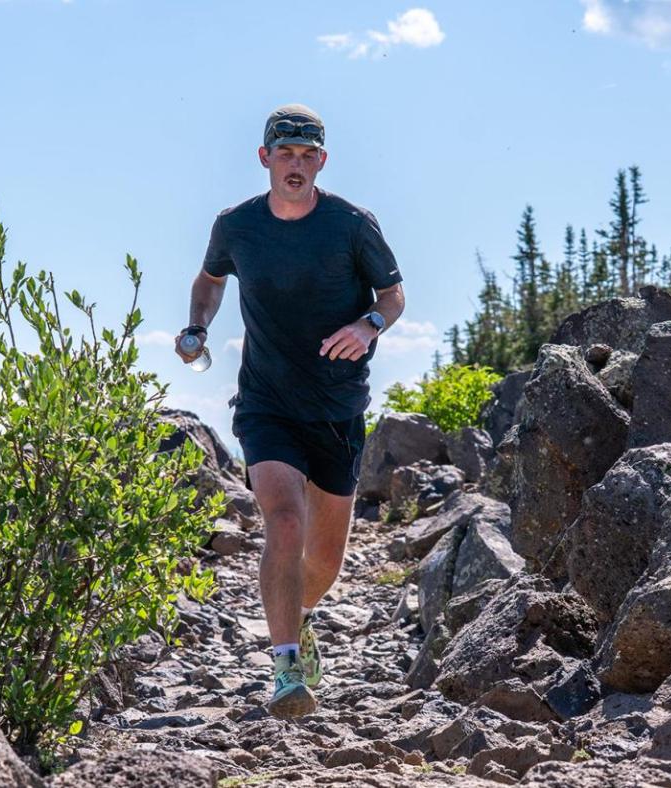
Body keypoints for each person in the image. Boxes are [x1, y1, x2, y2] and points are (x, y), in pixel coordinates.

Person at [175, 104, 406, 718]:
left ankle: (301, 617)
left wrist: (370, 324)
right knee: (282, 520)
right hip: (265, 403)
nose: (296, 165)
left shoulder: (352, 225)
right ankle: (284, 669)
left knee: (325, 562)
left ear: (321, 161)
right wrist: (197, 325)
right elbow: (211, 279)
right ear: (265, 158)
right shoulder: (237, 225)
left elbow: (394, 294)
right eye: (286, 155)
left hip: (336, 407)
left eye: (308, 156)